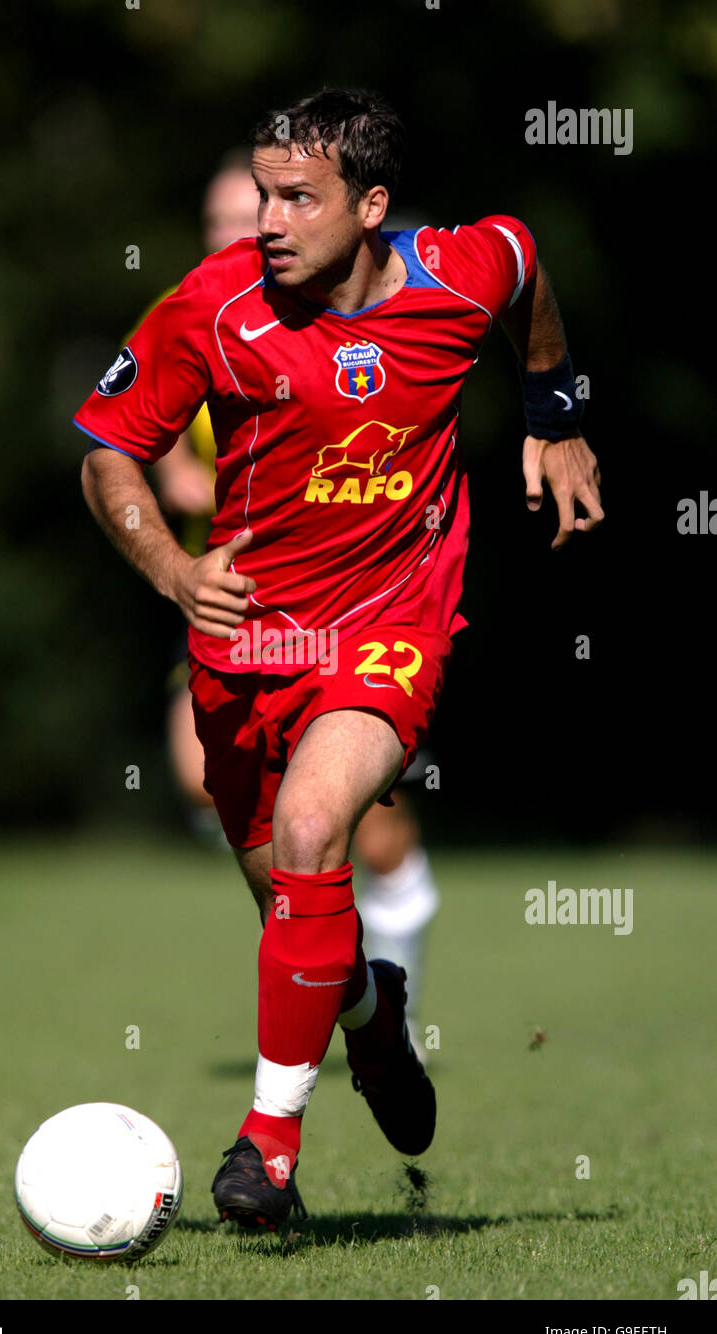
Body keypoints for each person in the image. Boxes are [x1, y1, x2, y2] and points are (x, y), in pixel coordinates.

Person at [75, 88, 602, 1231]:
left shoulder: (462, 269)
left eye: (294, 197)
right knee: (291, 904)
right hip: (243, 646)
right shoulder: (211, 310)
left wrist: (552, 410)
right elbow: (108, 454)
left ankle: (265, 1151)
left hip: (390, 625)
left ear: (369, 206)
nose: (264, 219)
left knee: (319, 829)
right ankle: (371, 1009)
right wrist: (173, 570)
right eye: (261, 193)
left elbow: (523, 272)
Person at [147, 152, 444, 1046]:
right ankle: (347, 977)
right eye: (219, 223)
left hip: (358, 611)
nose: (243, 235)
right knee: (206, 781)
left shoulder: (354, 315)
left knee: (342, 825)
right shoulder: (198, 307)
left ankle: (390, 919)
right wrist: (181, 482)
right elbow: (139, 419)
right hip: (237, 609)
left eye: (259, 215)